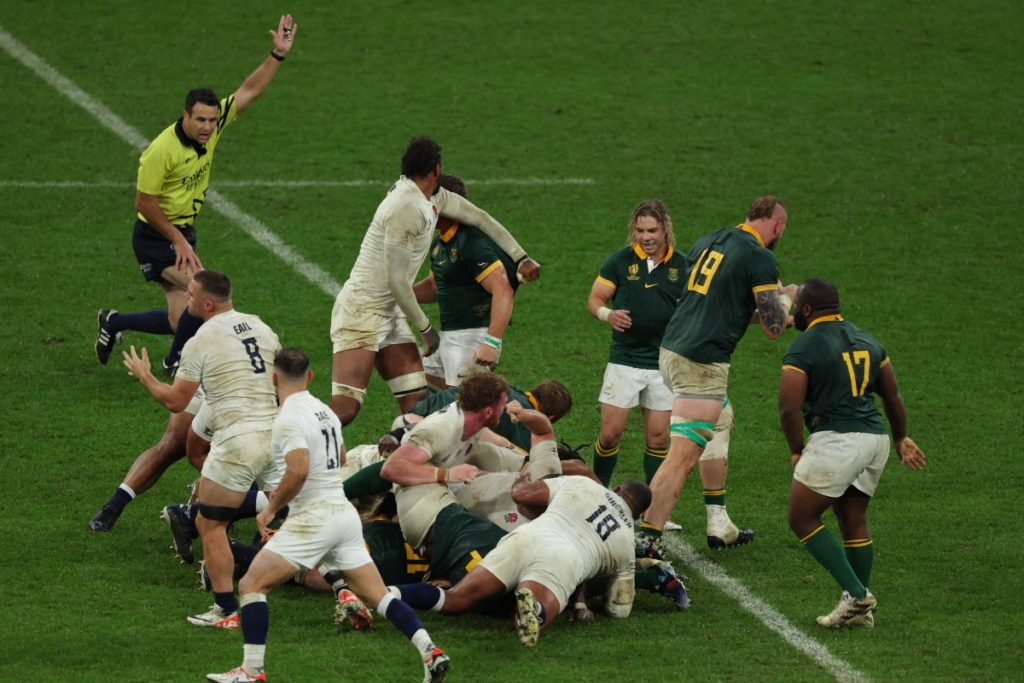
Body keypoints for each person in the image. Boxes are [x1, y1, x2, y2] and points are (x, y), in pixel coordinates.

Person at [207, 348, 450, 683]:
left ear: (274, 378)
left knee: (251, 583)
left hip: (314, 518)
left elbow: (298, 470)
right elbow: (341, 454)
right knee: (377, 595)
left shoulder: (287, 419)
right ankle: (430, 651)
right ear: (309, 377)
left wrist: (272, 509)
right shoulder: (326, 412)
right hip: (344, 516)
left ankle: (252, 671)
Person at [96, 15, 298, 376]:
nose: (207, 127)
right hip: (156, 238)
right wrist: (178, 242)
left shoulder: (215, 124)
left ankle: (113, 321)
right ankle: (175, 363)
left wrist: (277, 55)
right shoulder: (162, 151)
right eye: (200, 120)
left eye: (211, 120)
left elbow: (249, 90)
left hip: (182, 232)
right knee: (205, 293)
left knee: (180, 318)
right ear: (186, 116)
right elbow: (143, 202)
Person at [329, 137, 541, 426]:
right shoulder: (405, 207)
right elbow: (396, 282)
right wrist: (426, 329)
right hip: (361, 311)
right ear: (437, 169)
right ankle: (295, 447)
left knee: (416, 407)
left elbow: (479, 217)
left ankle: (403, 464)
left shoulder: (433, 197)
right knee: (346, 409)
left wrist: (521, 257)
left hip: (389, 313)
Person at [122, 270, 281, 629]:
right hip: (277, 432)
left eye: (190, 294)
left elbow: (177, 401)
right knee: (304, 513)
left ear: (207, 304)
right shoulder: (261, 326)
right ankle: (345, 588)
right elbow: (281, 377)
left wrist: (145, 375)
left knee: (209, 521)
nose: (186, 297)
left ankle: (225, 610)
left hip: (238, 439)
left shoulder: (201, 339)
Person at [639, 196, 798, 552]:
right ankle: (645, 541)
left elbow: (724, 304)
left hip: (672, 349)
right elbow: (773, 326)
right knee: (681, 457)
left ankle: (718, 522)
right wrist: (787, 297)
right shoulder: (760, 258)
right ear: (776, 226)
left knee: (722, 419)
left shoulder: (710, 239)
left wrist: (773, 309)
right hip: (701, 364)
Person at [778, 279, 925, 628]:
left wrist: (797, 449)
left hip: (838, 441)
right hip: (876, 440)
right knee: (852, 518)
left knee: (802, 518)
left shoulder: (804, 347)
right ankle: (859, 613)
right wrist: (902, 436)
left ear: (808, 310)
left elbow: (788, 408)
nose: (794, 311)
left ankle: (857, 593)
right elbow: (891, 394)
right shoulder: (868, 340)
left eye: (797, 306)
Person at [392, 477, 651, 648]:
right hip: (564, 560)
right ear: (638, 515)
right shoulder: (626, 543)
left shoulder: (584, 484)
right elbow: (619, 609)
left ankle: (389, 593)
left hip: (527, 537)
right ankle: (533, 610)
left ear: (617, 489)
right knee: (527, 621)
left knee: (456, 599)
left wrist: (522, 482)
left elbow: (522, 494)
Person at [380, 372, 518, 585]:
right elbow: (391, 468)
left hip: (441, 488)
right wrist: (445, 474)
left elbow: (496, 443)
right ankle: (437, 563)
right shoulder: (442, 429)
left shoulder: (472, 420)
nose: (506, 409)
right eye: (503, 404)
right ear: (489, 410)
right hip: (418, 500)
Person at [586, 199, 688, 487]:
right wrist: (609, 315)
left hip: (664, 364)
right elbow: (594, 300)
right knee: (609, 435)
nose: (646, 237)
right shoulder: (620, 261)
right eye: (640, 230)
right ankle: (600, 493)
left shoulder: (683, 267)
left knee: (658, 438)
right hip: (625, 360)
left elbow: (698, 308)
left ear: (665, 229)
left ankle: (652, 506)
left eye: (652, 230)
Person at [414, 174, 519, 387]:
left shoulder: (471, 242)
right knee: (412, 374)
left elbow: (503, 290)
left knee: (468, 413)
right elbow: (436, 286)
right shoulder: (440, 243)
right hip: (448, 338)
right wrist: (399, 295)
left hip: (472, 339)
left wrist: (491, 342)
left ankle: (515, 414)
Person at [87, 390, 204, 532]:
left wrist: (144, 375)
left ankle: (209, 505)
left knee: (212, 455)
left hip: (228, 389)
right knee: (173, 443)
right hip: (213, 384)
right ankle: (114, 506)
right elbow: (175, 401)